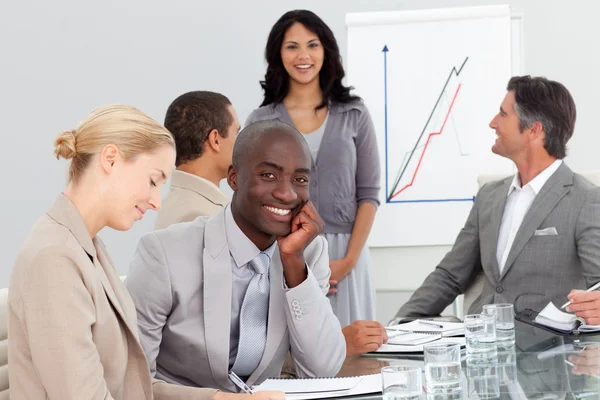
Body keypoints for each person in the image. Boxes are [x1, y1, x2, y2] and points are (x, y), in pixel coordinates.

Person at [7, 104, 283, 400]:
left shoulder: (87, 247)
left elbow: (131, 387)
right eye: (153, 181)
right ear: (111, 159)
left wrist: (224, 399)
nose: (156, 202)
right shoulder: (55, 258)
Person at [126, 120, 345, 392]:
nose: (286, 193)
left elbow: (322, 369)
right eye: (268, 175)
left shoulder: (308, 252)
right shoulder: (164, 252)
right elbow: (131, 382)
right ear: (234, 178)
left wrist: (294, 264)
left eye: (299, 180)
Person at [394, 75, 600, 318]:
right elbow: (450, 275)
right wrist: (398, 325)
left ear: (534, 129)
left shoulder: (585, 199)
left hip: (548, 348)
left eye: (503, 114)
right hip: (480, 343)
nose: (493, 123)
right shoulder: (489, 196)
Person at [246, 9, 380, 330]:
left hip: (348, 254)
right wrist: (291, 261)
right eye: (292, 46)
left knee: (355, 352)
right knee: (297, 354)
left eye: (312, 44)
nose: (303, 55)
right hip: (284, 253)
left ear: (326, 51)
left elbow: (369, 194)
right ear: (278, 54)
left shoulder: (354, 114)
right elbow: (252, 201)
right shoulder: (261, 122)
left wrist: (346, 262)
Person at [155, 91, 240, 230]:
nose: (241, 142)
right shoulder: (197, 216)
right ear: (215, 140)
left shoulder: (185, 204)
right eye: (237, 133)